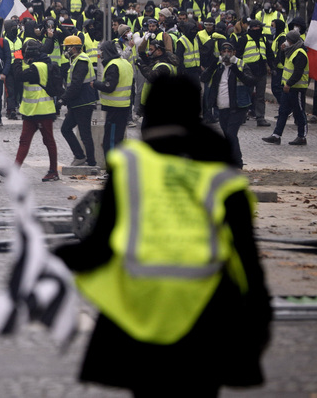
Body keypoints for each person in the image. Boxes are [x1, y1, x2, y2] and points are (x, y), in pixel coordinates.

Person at [56, 75, 271, 397]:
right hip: (207, 317)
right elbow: (246, 259)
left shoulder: (130, 165)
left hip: (141, 313)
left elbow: (99, 248)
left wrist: (54, 259)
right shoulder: (222, 176)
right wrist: (258, 318)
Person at [203, 41, 255, 168]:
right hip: (222, 107)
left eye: (229, 52)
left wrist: (235, 69)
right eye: (224, 51)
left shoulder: (241, 65)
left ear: (234, 53)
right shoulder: (218, 66)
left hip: (238, 106)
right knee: (227, 135)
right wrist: (212, 66)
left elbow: (250, 81)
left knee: (231, 134)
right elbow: (204, 78)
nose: (226, 54)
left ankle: (238, 162)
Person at [13, 40, 59, 181]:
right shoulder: (36, 64)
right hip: (31, 111)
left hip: (43, 110)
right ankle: (15, 169)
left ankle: (53, 171)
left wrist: (17, 59)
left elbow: (19, 76)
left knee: (48, 141)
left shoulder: (38, 67)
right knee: (24, 141)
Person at [262, 30, 309, 146]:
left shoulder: (300, 53)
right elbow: (284, 63)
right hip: (288, 88)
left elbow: (298, 72)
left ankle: (302, 136)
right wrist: (282, 51)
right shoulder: (291, 51)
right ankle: (276, 136)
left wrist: (289, 83)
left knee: (299, 112)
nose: (286, 42)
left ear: (292, 41)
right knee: (282, 111)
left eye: (287, 40)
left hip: (297, 88)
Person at [59, 35, 99, 167]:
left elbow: (76, 84)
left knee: (84, 133)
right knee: (66, 129)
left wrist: (63, 99)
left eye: (67, 48)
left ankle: (90, 161)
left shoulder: (81, 61)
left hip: (83, 102)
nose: (66, 51)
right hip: (78, 102)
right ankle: (80, 156)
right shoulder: (76, 60)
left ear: (74, 48)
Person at [92, 40, 133, 154]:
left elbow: (109, 86)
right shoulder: (125, 63)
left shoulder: (113, 66)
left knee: (110, 142)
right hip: (124, 107)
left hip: (114, 108)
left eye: (102, 53)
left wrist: (95, 84)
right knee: (118, 140)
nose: (101, 56)